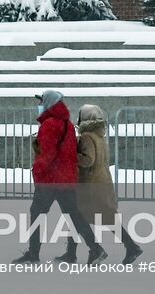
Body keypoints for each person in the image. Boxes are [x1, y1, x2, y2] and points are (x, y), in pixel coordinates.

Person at [11, 90, 106, 264]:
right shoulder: (67, 124)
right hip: (66, 178)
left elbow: (48, 153)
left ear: (49, 103)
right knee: (74, 215)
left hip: (50, 179)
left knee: (37, 213)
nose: (39, 105)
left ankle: (33, 254)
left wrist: (37, 169)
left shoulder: (50, 124)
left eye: (41, 102)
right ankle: (96, 248)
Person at [61, 104, 142, 265]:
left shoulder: (87, 137)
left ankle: (88, 252)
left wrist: (71, 155)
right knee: (92, 217)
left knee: (78, 217)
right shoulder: (100, 136)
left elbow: (88, 159)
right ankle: (74, 252)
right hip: (101, 182)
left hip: (90, 186)